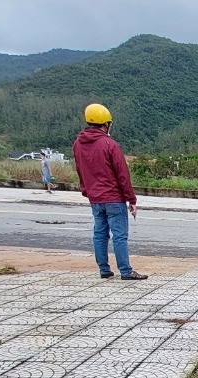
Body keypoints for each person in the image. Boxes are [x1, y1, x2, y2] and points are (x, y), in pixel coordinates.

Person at [72, 103, 146, 280]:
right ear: (106, 124)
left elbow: (80, 170)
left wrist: (86, 191)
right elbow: (122, 175)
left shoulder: (78, 144)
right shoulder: (109, 144)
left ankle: (104, 269)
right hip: (113, 197)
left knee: (99, 234)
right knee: (119, 236)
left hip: (95, 198)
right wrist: (131, 199)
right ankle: (126, 271)